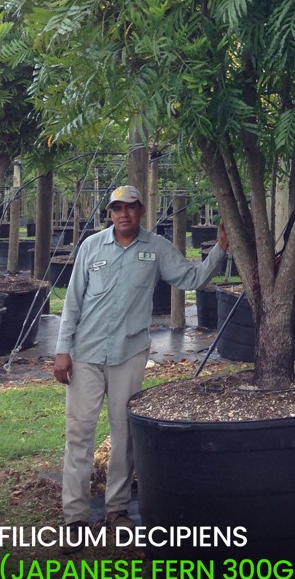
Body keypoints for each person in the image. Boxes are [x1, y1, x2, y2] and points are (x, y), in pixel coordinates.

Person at [53, 184, 228, 546]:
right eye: (116, 208)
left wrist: (220, 251)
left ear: (141, 210)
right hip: (85, 354)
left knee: (125, 435)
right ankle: (75, 516)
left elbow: (191, 278)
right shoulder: (91, 247)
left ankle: (117, 510)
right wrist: (61, 350)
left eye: (129, 208)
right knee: (79, 434)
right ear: (110, 212)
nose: (123, 214)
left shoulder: (157, 248)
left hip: (129, 354)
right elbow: (72, 302)